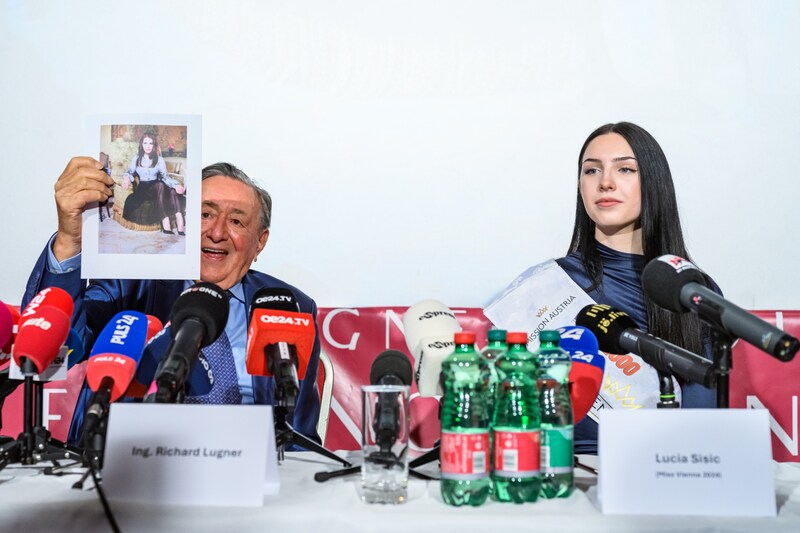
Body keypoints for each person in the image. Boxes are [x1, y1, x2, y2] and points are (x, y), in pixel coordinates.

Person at [22, 158, 321, 445]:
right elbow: (53, 349)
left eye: (237, 221)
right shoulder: (133, 284)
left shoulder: (289, 307)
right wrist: (69, 241)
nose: (217, 232)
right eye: (205, 214)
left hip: (250, 477)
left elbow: (299, 437)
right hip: (129, 469)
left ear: (260, 241)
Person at [486, 122, 717, 455]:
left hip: (661, 470)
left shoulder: (690, 289)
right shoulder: (540, 286)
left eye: (625, 169)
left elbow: (700, 424)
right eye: (591, 170)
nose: (605, 182)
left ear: (653, 183)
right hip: (562, 471)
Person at [121, 132, 186, 235]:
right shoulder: (136, 158)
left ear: (154, 145)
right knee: (160, 185)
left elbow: (165, 177)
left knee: (172, 190)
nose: (148, 146)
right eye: (145, 143)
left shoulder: (159, 159)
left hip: (157, 187)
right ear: (141, 144)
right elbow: (130, 172)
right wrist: (126, 178)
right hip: (143, 189)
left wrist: (176, 185)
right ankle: (165, 220)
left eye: (150, 143)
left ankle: (180, 220)